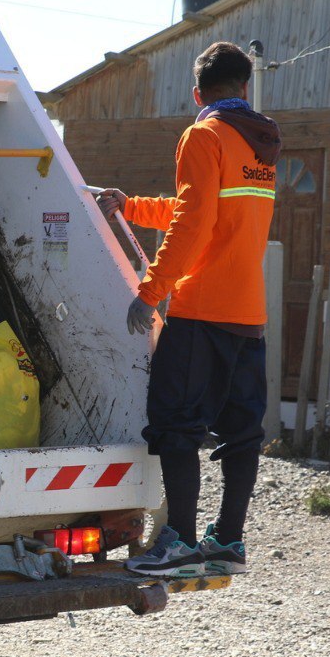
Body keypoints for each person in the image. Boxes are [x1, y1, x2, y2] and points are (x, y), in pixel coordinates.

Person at [97, 41, 282, 578]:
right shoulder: (262, 142)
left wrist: (151, 291)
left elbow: (193, 223)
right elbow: (199, 207)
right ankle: (227, 541)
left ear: (198, 93)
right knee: (242, 432)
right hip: (249, 313)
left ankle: (177, 542)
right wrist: (130, 207)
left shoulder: (203, 134)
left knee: (176, 425)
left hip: (202, 311)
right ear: (244, 88)